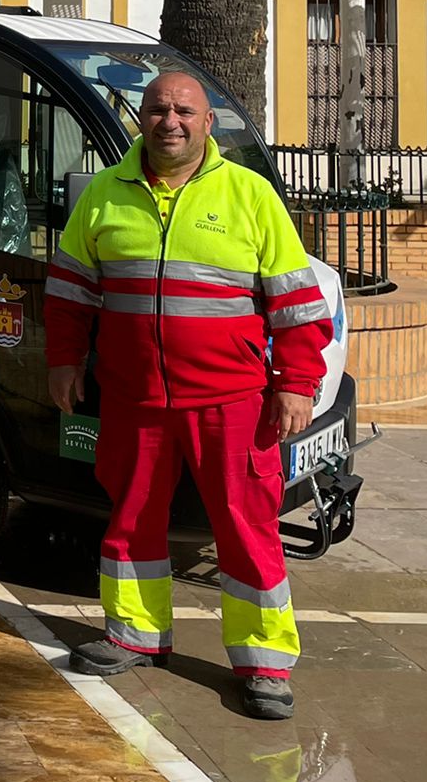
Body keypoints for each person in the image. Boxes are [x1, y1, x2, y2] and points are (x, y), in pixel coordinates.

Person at [44, 70, 328, 721]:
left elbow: (296, 306)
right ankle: (136, 635)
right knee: (132, 516)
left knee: (246, 527)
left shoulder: (250, 196)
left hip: (232, 403)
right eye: (158, 109)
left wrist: (297, 385)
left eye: (184, 111)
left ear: (208, 124)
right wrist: (64, 361)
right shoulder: (105, 196)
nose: (170, 121)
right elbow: (69, 289)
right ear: (142, 118)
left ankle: (263, 661)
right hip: (132, 399)